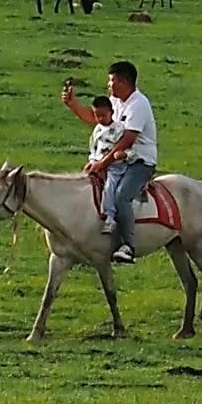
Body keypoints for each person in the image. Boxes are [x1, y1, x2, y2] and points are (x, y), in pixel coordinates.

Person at [64, 57, 158, 259]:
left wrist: (101, 163)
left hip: (138, 161)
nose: (108, 85)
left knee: (122, 196)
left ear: (123, 82)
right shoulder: (114, 101)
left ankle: (128, 246)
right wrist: (73, 105)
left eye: (111, 81)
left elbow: (127, 140)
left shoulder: (138, 105)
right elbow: (96, 118)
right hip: (116, 159)